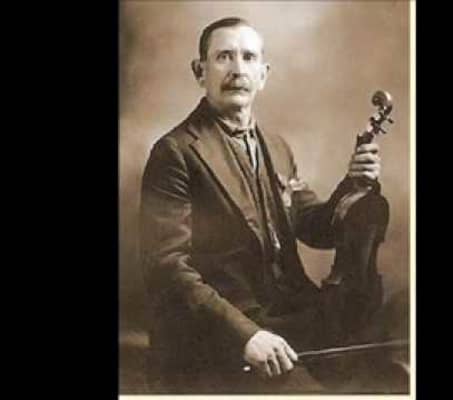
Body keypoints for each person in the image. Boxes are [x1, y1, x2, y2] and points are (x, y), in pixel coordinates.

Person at [140, 17, 407, 394]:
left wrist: (353, 182)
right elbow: (166, 268)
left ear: (263, 74)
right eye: (224, 57)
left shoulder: (277, 146)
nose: (237, 69)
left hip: (294, 316)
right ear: (200, 71)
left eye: (248, 58)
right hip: (221, 335)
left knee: (389, 377)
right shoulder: (174, 153)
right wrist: (246, 336)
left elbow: (317, 227)